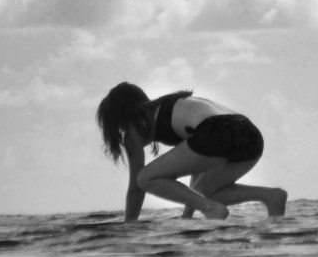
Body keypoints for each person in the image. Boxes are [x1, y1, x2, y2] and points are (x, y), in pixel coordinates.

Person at [96, 83, 287, 222]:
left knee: (144, 178)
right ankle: (271, 196)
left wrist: (129, 227)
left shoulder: (135, 125)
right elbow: (197, 167)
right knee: (207, 195)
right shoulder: (173, 107)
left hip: (217, 130)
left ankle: (211, 209)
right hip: (250, 134)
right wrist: (187, 218)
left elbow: (137, 188)